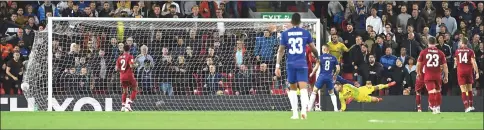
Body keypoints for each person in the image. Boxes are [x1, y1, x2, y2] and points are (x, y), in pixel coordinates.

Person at [275, 13, 319, 120]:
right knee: (304, 89)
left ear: (291, 21)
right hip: (302, 64)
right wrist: (318, 57)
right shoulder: (305, 33)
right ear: (300, 22)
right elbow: (313, 48)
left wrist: (277, 65)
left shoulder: (285, 34)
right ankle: (304, 112)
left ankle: (295, 113)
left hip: (291, 64)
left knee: (293, 89)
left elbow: (281, 51)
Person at [416, 37, 449, 114]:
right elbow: (445, 66)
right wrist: (446, 76)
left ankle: (433, 107)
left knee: (431, 92)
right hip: (437, 75)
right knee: (438, 91)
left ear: (428, 43)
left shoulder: (424, 52)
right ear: (436, 43)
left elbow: (418, 64)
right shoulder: (440, 53)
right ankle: (438, 108)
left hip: (428, 75)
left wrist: (418, 72)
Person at [307, 45, 340, 112]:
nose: (321, 50)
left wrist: (311, 74)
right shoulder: (333, 58)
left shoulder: (320, 57)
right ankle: (336, 109)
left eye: (322, 48)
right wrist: (335, 75)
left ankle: (309, 109)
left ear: (324, 49)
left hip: (322, 76)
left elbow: (316, 68)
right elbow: (338, 69)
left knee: (314, 91)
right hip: (329, 77)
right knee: (332, 93)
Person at [454, 37, 479, 112]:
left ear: (462, 43)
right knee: (469, 89)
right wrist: (477, 72)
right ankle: (471, 106)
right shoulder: (471, 51)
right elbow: (473, 62)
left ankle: (466, 107)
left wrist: (456, 66)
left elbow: (455, 63)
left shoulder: (457, 51)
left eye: (460, 42)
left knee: (463, 90)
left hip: (461, 71)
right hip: (469, 71)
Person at [116, 45, 138, 112]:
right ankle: (128, 104)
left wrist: (122, 72)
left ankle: (122, 106)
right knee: (135, 89)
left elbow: (116, 68)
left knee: (125, 91)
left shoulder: (119, 58)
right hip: (129, 76)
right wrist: (136, 65)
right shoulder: (130, 56)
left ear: (123, 49)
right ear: (129, 49)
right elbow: (131, 65)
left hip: (122, 77)